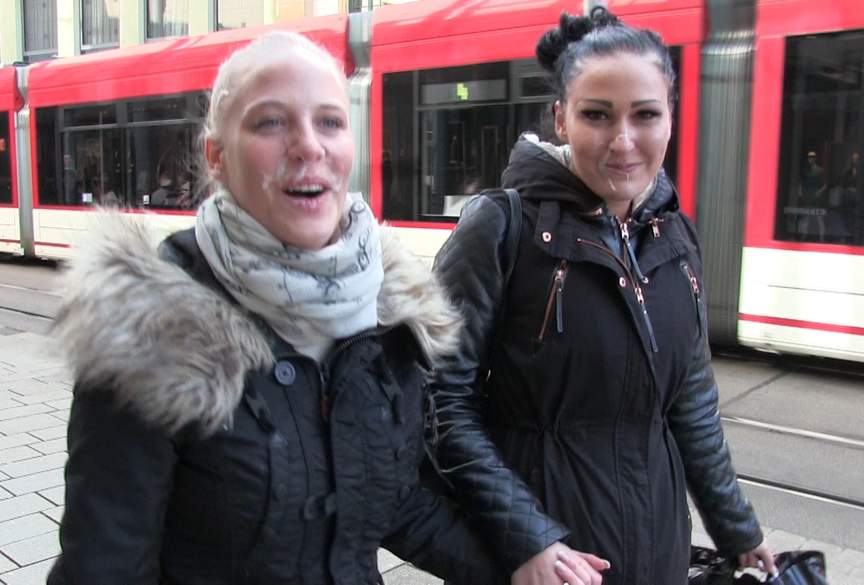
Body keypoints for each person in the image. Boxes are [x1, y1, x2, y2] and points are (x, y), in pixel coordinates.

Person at [47, 31, 511, 585]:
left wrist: (525, 563)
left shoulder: (390, 309)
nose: (309, 146)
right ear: (216, 157)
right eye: (270, 122)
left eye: (330, 122)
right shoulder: (151, 327)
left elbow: (394, 501)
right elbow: (105, 566)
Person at [428, 9, 776, 585]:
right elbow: (440, 404)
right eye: (597, 115)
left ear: (670, 119)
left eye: (645, 114)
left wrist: (738, 530)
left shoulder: (674, 236)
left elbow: (690, 403)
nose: (623, 141)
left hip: (658, 551)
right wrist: (529, 539)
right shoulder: (499, 227)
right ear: (561, 119)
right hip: (541, 565)